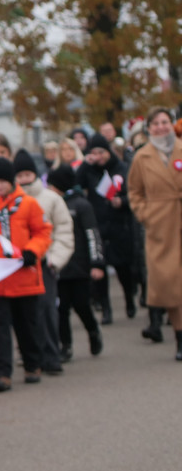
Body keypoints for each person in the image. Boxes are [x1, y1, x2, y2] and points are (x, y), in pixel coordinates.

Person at [0, 158, 52, 392]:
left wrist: (31, 252)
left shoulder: (28, 204)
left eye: (4, 181)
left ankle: (32, 365)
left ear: (12, 181)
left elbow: (43, 232)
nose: (0, 186)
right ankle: (3, 373)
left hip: (24, 277)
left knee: (27, 326)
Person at [126, 106, 182, 360]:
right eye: (156, 123)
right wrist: (146, 215)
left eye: (165, 122)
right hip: (162, 225)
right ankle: (180, 339)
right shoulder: (142, 157)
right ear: (149, 129)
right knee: (171, 284)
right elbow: (134, 192)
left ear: (172, 124)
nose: (161, 126)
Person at [13, 149, 74, 375]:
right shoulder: (11, 202)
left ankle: (52, 354)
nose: (24, 179)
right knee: (26, 315)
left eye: (27, 174)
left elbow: (64, 230)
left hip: (45, 264)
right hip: (19, 266)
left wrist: (56, 259)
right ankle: (31, 356)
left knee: (48, 311)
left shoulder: (51, 199)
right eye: (19, 175)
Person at [45, 165, 105, 360]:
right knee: (61, 309)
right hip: (58, 266)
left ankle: (93, 331)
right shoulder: (51, 205)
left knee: (81, 305)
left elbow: (92, 234)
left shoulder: (81, 205)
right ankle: (66, 346)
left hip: (80, 267)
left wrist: (97, 263)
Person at [77, 133, 136, 323]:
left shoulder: (121, 168)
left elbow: (133, 194)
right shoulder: (90, 170)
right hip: (98, 224)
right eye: (94, 152)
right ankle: (106, 309)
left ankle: (129, 299)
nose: (98, 156)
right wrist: (86, 162)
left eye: (101, 152)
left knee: (122, 268)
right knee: (99, 270)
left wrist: (123, 201)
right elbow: (76, 183)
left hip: (119, 225)